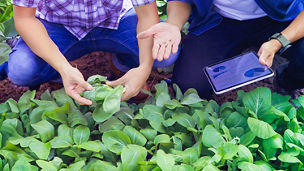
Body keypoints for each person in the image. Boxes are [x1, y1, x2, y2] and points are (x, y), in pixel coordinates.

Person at [0, 0, 179, 105]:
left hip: (115, 20)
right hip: (58, 26)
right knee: (22, 69)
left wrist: (144, 67)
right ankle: (57, 73)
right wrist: (63, 68)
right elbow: (24, 18)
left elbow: (147, 14)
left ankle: (123, 65)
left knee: (165, 50)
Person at [138, 0, 304, 98]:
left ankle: (286, 81)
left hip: (280, 18)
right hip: (219, 20)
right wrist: (174, 23)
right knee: (189, 87)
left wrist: (279, 41)